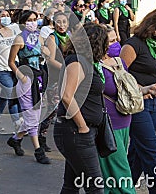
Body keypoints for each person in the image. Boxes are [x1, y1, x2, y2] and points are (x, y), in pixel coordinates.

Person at [120, 8, 156, 194]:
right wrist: (141, 90)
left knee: (137, 150)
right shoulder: (133, 45)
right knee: (151, 151)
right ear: (153, 27)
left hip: (154, 101)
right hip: (138, 104)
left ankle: (123, 187)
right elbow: (120, 76)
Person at [53, 22, 104, 193]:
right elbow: (67, 96)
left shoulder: (85, 62)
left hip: (78, 131)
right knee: (95, 187)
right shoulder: (78, 61)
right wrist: (83, 126)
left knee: (71, 185)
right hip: (75, 131)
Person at [7, 10, 50, 164]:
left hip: (39, 77)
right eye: (30, 20)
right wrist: (21, 76)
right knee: (32, 115)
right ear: (23, 23)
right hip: (26, 80)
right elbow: (11, 61)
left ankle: (16, 139)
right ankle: (38, 150)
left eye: (35, 19)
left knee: (36, 114)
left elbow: (45, 54)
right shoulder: (19, 39)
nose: (33, 22)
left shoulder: (39, 37)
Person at [39, 12, 70, 152]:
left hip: (67, 77)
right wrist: (65, 68)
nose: (62, 25)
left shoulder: (69, 36)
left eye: (64, 22)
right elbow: (50, 60)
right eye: (59, 22)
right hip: (54, 77)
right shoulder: (52, 38)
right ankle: (41, 136)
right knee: (53, 109)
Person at [0, 9, 22, 132]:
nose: (6, 17)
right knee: (11, 92)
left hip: (15, 67)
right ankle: (17, 123)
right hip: (1, 69)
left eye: (7, 15)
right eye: (3, 16)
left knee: (5, 95)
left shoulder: (15, 31)